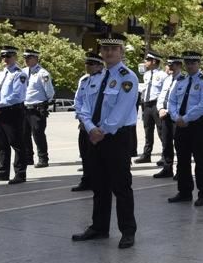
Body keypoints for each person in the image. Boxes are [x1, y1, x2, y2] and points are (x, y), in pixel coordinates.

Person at [72, 34, 139, 249]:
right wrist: (91, 128)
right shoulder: (95, 77)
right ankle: (99, 227)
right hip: (95, 136)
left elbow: (122, 109)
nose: (109, 52)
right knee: (99, 184)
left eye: (113, 49)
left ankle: (127, 231)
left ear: (122, 52)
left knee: (121, 186)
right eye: (105, 49)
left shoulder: (127, 77)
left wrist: (103, 130)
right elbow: (83, 105)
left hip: (116, 137)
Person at [167, 52, 203, 206]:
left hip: (197, 125)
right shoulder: (180, 81)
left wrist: (185, 118)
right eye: (187, 63)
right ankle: (184, 191)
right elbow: (171, 100)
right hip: (180, 125)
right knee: (182, 159)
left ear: (199, 64)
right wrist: (175, 117)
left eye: (193, 63)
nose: (190, 65)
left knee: (200, 160)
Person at [0, 45, 28, 184]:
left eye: (8, 56)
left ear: (15, 57)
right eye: (3, 56)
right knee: (1, 143)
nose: (5, 59)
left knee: (17, 143)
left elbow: (17, 95)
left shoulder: (19, 74)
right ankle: (3, 172)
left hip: (12, 111)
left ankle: (20, 174)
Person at [71, 53, 105, 192]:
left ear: (99, 66)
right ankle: (87, 180)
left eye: (90, 64)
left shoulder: (105, 79)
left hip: (96, 124)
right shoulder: (84, 80)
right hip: (84, 124)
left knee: (99, 156)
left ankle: (100, 181)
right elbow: (78, 100)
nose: (87, 66)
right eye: (87, 63)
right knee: (85, 154)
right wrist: (81, 117)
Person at [22, 48, 55, 168]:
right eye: (25, 58)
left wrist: (43, 104)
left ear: (36, 58)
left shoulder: (43, 73)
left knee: (38, 134)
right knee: (24, 134)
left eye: (29, 58)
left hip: (37, 108)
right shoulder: (23, 72)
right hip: (25, 107)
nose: (26, 60)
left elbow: (50, 92)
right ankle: (28, 158)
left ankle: (43, 158)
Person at [152, 57, 183, 179]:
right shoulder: (167, 79)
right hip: (164, 115)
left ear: (179, 65)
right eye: (169, 64)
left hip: (176, 116)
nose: (170, 67)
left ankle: (181, 170)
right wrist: (160, 109)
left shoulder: (183, 80)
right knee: (166, 143)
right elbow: (162, 96)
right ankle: (167, 168)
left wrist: (168, 110)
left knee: (179, 144)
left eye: (173, 65)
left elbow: (180, 101)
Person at [136, 52, 166, 164]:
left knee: (161, 131)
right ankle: (146, 154)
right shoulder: (147, 74)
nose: (145, 62)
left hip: (156, 104)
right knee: (148, 130)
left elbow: (165, 91)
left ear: (154, 61)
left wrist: (162, 107)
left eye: (147, 60)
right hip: (147, 104)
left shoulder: (163, 75)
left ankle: (165, 154)